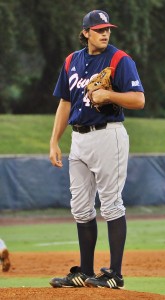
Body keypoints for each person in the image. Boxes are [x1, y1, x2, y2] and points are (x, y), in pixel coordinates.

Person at [49, 10, 145, 289]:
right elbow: (65, 103)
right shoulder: (72, 61)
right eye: (99, 29)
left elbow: (139, 100)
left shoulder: (119, 60)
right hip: (78, 138)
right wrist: (54, 140)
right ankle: (85, 272)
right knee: (80, 208)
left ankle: (115, 274)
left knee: (111, 203)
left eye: (107, 29)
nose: (105, 33)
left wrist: (110, 95)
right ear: (86, 32)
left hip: (108, 135)